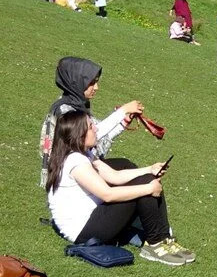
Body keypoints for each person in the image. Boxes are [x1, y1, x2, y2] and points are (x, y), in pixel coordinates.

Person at [46, 111, 193, 265]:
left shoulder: (84, 154)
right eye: (91, 127)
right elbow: (107, 194)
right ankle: (156, 244)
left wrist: (150, 169)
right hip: (85, 233)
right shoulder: (74, 161)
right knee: (145, 185)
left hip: (93, 220)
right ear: (79, 134)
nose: (96, 129)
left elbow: (114, 176)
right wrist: (148, 189)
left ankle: (163, 239)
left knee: (147, 179)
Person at [39, 57, 144, 187]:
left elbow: (95, 138)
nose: (96, 87)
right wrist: (122, 112)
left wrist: (122, 124)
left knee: (128, 168)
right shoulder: (65, 111)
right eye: (91, 83)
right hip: (70, 178)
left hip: (84, 169)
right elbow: (86, 136)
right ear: (77, 82)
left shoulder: (78, 105)